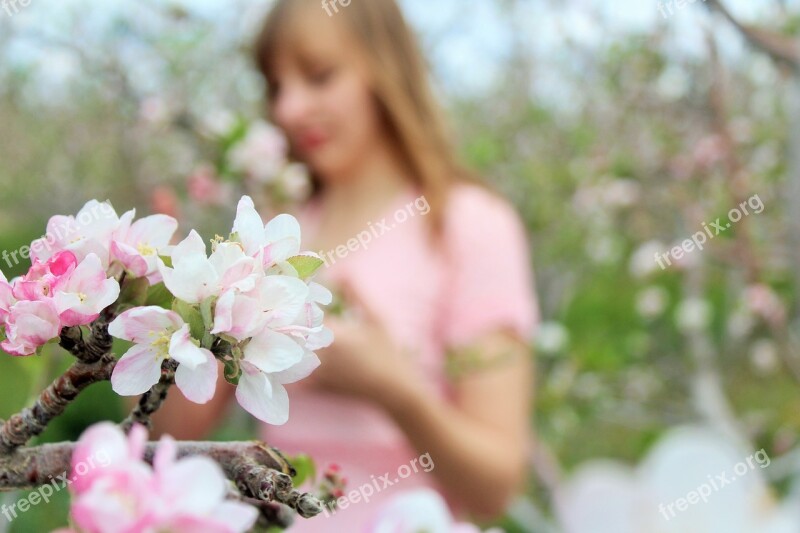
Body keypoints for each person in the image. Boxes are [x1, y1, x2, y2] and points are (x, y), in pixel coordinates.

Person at [151, 0, 540, 529]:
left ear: (385, 69)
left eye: (319, 76)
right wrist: (178, 297)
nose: (287, 109)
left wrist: (394, 389)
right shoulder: (275, 231)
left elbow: (495, 485)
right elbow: (171, 436)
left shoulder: (466, 222)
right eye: (276, 86)